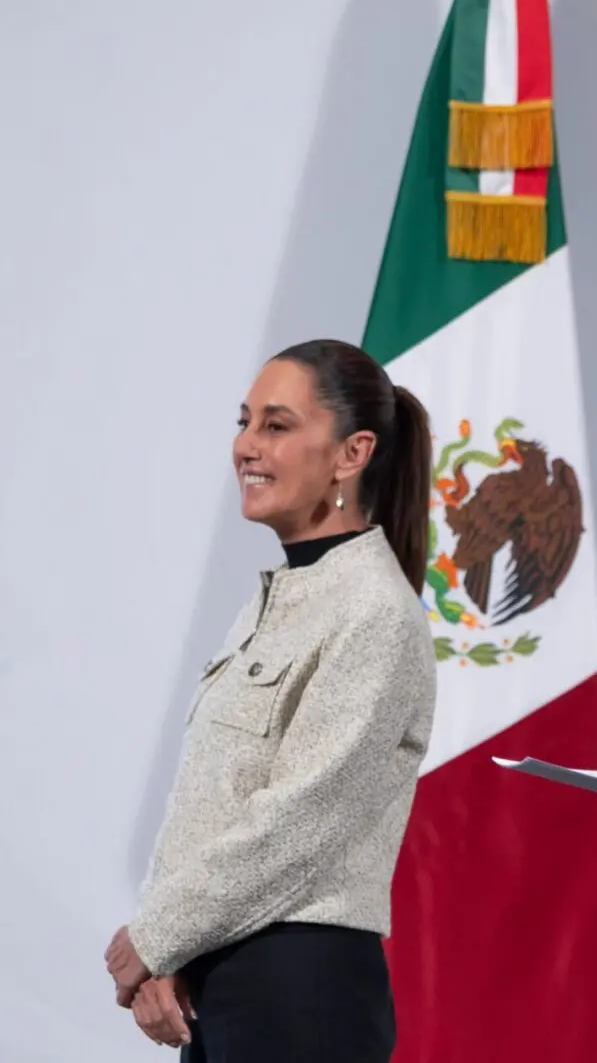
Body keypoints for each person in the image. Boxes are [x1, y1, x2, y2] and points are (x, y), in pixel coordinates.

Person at [103, 339, 438, 1058]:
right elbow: (211, 807)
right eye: (244, 421)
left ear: (352, 453)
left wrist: (156, 936)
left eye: (276, 426)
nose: (246, 446)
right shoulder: (277, 597)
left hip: (300, 992)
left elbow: (302, 818)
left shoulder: (375, 611)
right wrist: (169, 950)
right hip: (222, 976)